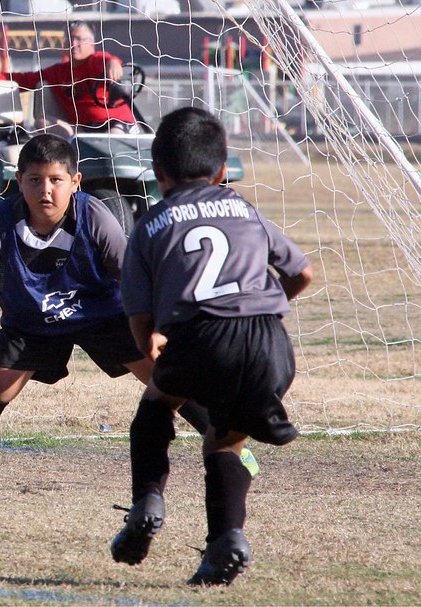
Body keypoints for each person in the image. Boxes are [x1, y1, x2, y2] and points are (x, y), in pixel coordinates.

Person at [0, 133, 256, 489]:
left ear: (75, 182)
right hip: (32, 322)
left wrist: (158, 327)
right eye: (34, 180)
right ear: (18, 181)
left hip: (105, 314)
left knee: (165, 373)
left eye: (56, 180)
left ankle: (228, 443)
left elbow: (133, 277)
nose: (45, 190)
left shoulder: (95, 217)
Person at [112, 107, 313, 585]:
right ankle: (228, 539)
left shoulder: (150, 225)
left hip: (202, 335)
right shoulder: (245, 208)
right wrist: (263, 306)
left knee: (156, 406)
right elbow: (302, 272)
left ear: (158, 173)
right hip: (271, 344)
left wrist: (156, 346)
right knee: (226, 437)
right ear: (223, 171)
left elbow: (139, 318)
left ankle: (147, 501)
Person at [0, 21, 140, 135]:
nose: (73, 44)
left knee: (112, 140)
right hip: (82, 129)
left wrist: (114, 63)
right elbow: (24, 80)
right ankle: (70, 155)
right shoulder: (58, 72)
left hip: (117, 124)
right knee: (42, 122)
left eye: (79, 39)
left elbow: (109, 61)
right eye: (69, 39)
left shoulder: (96, 61)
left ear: (92, 44)